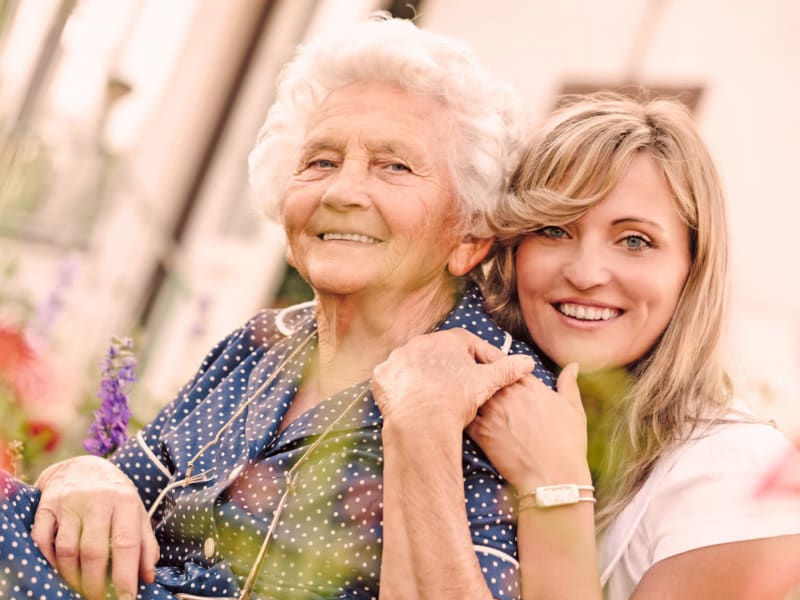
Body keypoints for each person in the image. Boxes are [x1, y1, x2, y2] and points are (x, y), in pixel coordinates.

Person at [0, 15, 552, 600]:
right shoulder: (258, 343)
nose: (341, 192)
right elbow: (123, 488)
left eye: (395, 165)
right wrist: (80, 473)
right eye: (320, 161)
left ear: (469, 234)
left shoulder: (498, 393)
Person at [377, 91, 800, 598]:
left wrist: (553, 487)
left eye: (634, 241)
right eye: (554, 230)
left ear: (693, 267)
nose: (584, 273)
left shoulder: (732, 472)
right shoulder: (473, 399)